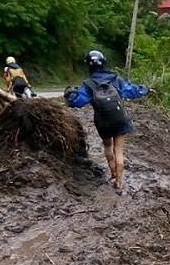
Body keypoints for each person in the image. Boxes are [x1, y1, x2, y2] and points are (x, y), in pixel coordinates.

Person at [64, 50, 150, 190]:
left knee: (108, 147)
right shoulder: (116, 80)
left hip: (103, 122)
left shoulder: (89, 85)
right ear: (104, 63)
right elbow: (133, 91)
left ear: (89, 66)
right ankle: (119, 183)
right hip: (121, 119)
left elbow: (76, 102)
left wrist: (70, 94)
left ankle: (113, 173)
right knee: (119, 150)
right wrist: (146, 89)